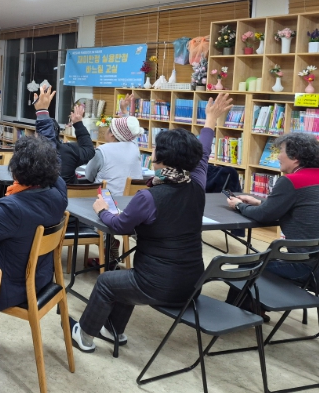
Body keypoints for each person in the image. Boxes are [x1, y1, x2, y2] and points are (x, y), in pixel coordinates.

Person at [70, 92, 233, 353]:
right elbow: (203, 153)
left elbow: (119, 226)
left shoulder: (148, 197)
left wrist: (103, 210)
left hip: (156, 285)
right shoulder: (196, 184)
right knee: (123, 279)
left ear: (161, 159)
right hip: (192, 283)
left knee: (106, 282)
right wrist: (211, 120)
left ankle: (85, 336)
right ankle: (113, 330)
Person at [0, 134, 68, 338]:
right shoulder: (59, 194)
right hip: (40, 275)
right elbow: (55, 176)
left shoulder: (12, 208)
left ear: (17, 169)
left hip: (10, 283)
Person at [227, 132, 319, 284]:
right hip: (315, 264)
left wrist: (239, 205)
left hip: (305, 267)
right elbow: (300, 208)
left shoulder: (291, 181)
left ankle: (241, 301)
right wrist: (259, 203)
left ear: (295, 157)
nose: (278, 157)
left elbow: (264, 215)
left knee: (248, 265)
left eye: (281, 151)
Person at [84, 93, 144, 196]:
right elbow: (131, 132)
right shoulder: (134, 147)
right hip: (133, 200)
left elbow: (88, 176)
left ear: (112, 134)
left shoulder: (102, 151)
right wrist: (124, 111)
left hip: (108, 201)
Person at [35, 97, 94, 185]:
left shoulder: (30, 153)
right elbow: (89, 150)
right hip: (69, 193)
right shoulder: (70, 150)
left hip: (41, 193)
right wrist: (78, 124)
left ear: (37, 134)